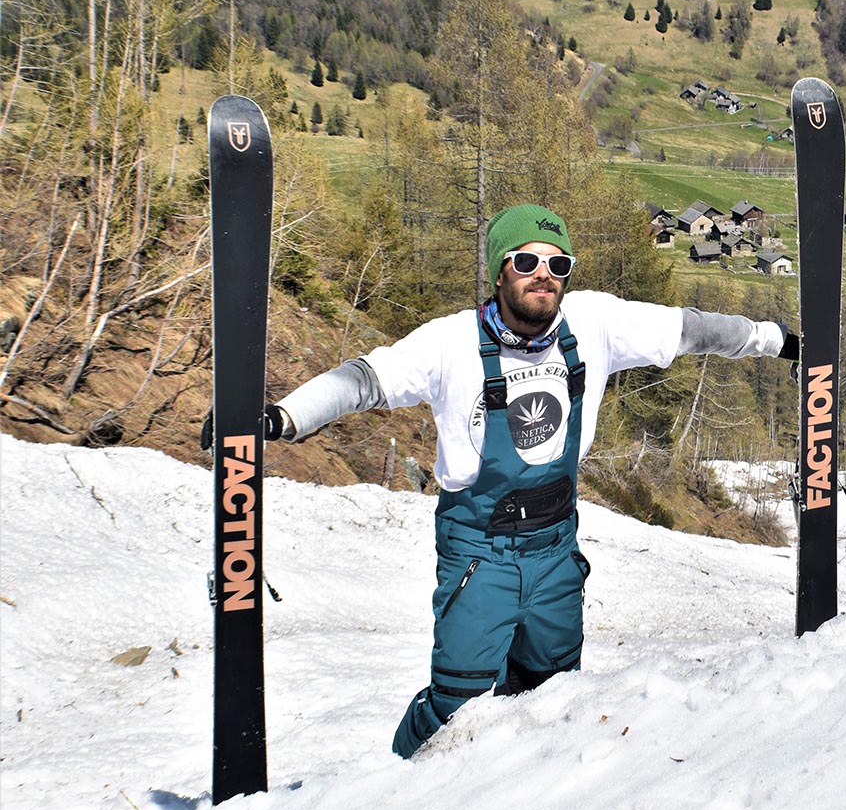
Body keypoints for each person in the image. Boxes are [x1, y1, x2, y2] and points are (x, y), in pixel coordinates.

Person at [260, 203, 798, 759]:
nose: (544, 274)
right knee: (455, 706)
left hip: (556, 549)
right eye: (526, 261)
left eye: (557, 264)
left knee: (553, 698)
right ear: (499, 271)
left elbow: (693, 330)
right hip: (479, 553)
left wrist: (777, 339)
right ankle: (390, 786)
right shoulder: (449, 343)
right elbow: (365, 380)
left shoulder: (594, 324)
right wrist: (286, 416)